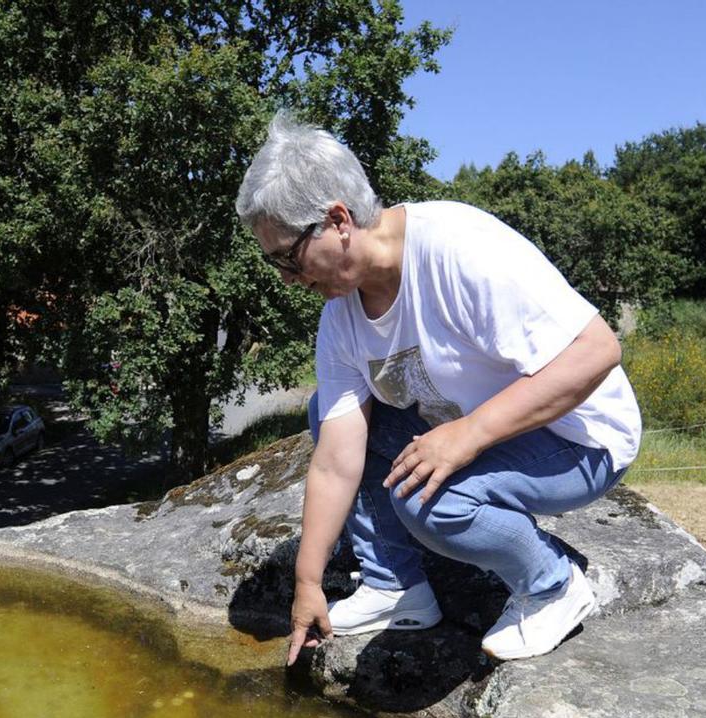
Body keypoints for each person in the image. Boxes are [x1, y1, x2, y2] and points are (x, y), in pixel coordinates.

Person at [234, 114, 642, 666]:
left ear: (337, 219)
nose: (287, 277)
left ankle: (552, 586)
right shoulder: (342, 317)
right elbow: (336, 460)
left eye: (289, 256)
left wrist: (468, 436)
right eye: (274, 263)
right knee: (326, 414)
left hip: (578, 435)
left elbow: (596, 352)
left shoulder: (458, 248)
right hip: (487, 426)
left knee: (429, 501)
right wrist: (308, 581)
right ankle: (394, 586)